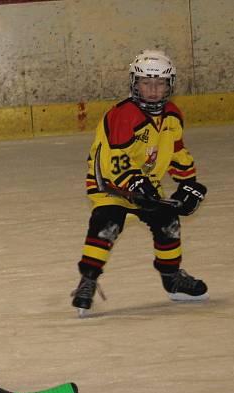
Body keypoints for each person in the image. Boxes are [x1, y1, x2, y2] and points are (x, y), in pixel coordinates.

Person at [71, 50, 208, 316]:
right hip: (110, 185)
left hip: (146, 183)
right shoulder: (123, 115)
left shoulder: (172, 115)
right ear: (135, 84)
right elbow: (114, 160)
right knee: (106, 222)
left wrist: (188, 181)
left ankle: (171, 278)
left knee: (168, 222)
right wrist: (134, 183)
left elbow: (176, 151)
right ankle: (87, 280)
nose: (153, 90)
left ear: (170, 86)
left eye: (160, 84)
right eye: (146, 83)